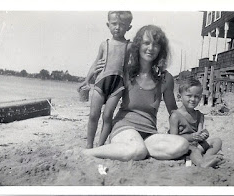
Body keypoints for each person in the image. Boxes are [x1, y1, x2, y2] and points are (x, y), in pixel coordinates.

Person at [83, 25, 189, 161]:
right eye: (146, 43)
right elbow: (104, 95)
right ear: (138, 45)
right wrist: (95, 74)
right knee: (137, 150)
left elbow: (173, 111)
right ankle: (88, 153)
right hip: (123, 128)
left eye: (156, 44)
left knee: (182, 145)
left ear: (161, 49)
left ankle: (135, 148)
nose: (150, 48)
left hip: (150, 134)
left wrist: (190, 123)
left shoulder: (165, 78)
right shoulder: (126, 72)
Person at [78, 11, 133, 148]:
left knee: (108, 116)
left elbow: (127, 68)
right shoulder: (105, 44)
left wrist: (128, 87)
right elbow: (96, 63)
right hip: (101, 81)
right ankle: (89, 145)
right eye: (114, 24)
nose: (117, 27)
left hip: (117, 85)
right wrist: (87, 80)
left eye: (122, 25)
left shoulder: (129, 46)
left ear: (129, 27)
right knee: (93, 115)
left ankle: (101, 145)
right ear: (108, 25)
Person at [169, 77, 224, 168]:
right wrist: (190, 137)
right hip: (183, 147)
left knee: (217, 141)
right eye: (189, 95)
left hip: (196, 145)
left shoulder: (199, 115)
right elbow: (173, 139)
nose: (193, 99)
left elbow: (200, 132)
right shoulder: (175, 116)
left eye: (197, 96)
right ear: (180, 97)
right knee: (194, 150)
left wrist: (204, 134)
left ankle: (207, 157)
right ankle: (202, 163)